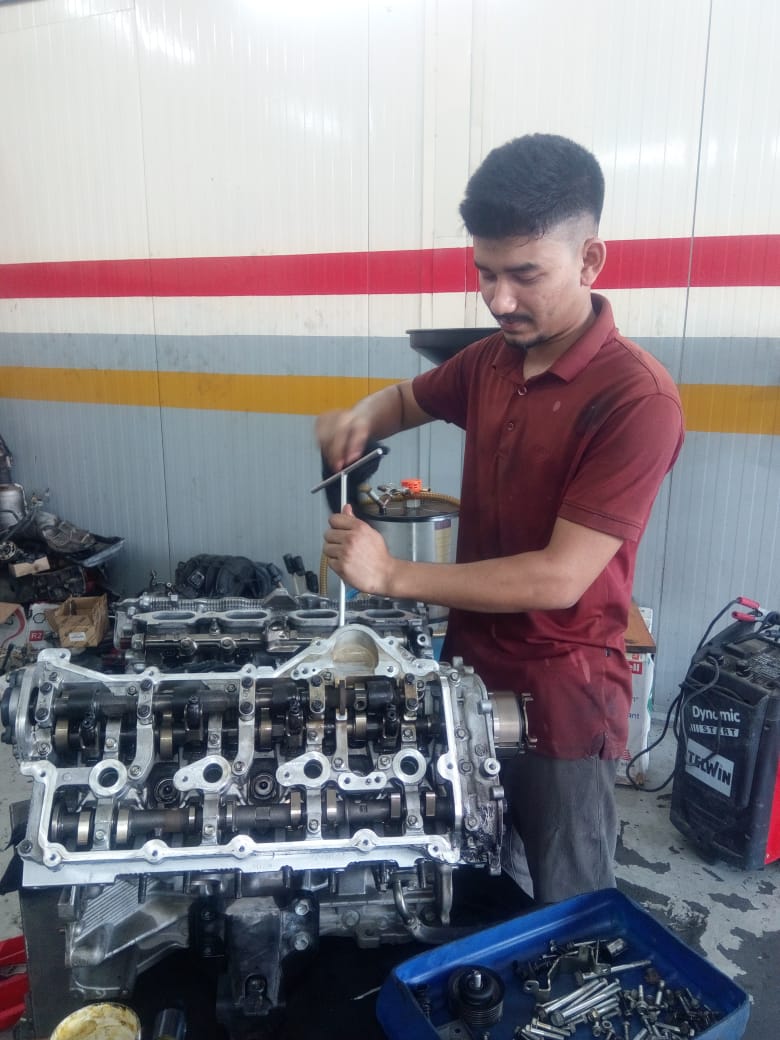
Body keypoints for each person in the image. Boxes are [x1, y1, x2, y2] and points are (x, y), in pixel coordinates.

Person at [316, 133, 684, 904]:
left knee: (568, 909)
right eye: (486, 273)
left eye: (525, 275)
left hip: (561, 695)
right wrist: (361, 419)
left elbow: (558, 578)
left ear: (590, 261)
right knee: (471, 876)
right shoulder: (493, 360)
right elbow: (407, 399)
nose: (500, 300)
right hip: (467, 672)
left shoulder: (636, 398)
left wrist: (392, 574)